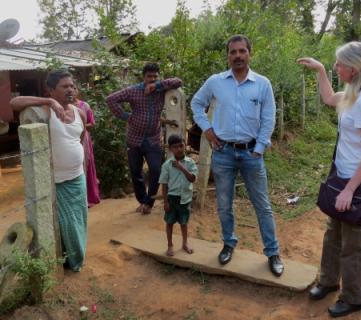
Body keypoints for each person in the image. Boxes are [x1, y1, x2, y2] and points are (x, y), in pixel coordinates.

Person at [297, 41, 361, 317]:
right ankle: (328, 280)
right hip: (342, 174)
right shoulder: (351, 94)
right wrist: (321, 71)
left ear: (353, 68)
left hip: (356, 181)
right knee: (332, 234)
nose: (336, 67)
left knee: (353, 243)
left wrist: (349, 189)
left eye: (338, 64)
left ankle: (354, 297)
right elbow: (328, 98)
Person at [191, 34, 284, 277]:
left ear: (250, 54)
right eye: (233, 52)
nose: (238, 56)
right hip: (223, 153)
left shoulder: (262, 84)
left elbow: (269, 118)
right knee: (223, 204)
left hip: (252, 153)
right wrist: (208, 131)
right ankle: (228, 243)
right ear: (228, 56)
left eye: (242, 51)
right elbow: (196, 104)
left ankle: (273, 252)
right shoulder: (216, 81)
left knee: (262, 205)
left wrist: (260, 147)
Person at [10, 69, 88, 272]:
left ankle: (77, 259)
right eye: (64, 86)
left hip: (78, 178)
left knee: (79, 221)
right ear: (51, 90)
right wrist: (49, 102)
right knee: (65, 225)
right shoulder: (45, 111)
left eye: (72, 85)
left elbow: (81, 141)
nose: (70, 89)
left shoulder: (80, 112)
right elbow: (14, 104)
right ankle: (68, 262)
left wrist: (84, 171)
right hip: (58, 181)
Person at [106, 63, 182, 214]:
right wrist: (126, 116)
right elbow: (110, 99)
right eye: (149, 76)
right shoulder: (133, 91)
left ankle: (149, 202)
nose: (152, 79)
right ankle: (142, 201)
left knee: (156, 170)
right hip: (134, 139)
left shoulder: (161, 90)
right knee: (136, 172)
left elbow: (178, 81)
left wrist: (157, 85)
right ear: (143, 77)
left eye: (155, 76)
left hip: (153, 139)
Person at [159, 134, 198, 257]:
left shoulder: (190, 163)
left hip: (185, 198)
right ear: (170, 149)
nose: (179, 149)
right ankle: (170, 245)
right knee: (169, 222)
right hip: (172, 198)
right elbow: (164, 184)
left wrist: (181, 167)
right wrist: (165, 202)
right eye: (175, 147)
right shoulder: (167, 165)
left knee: (184, 223)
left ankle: (185, 243)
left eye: (181, 145)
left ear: (185, 145)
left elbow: (192, 178)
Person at [73, 86, 101, 207]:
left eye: (74, 88)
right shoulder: (59, 106)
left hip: (83, 139)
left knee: (86, 166)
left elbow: (92, 123)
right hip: (68, 140)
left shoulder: (84, 106)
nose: (72, 90)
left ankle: (88, 198)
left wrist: (81, 125)